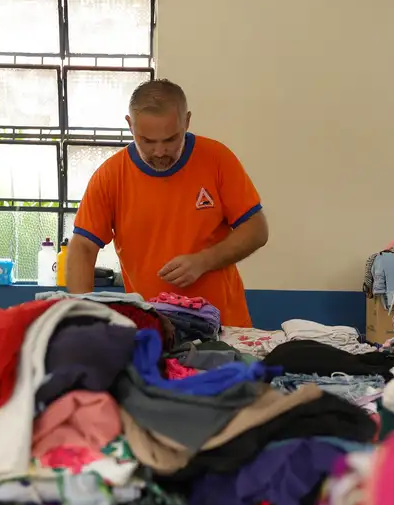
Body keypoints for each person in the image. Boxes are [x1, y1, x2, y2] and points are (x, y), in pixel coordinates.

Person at [67, 79, 269, 327]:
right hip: (154, 328)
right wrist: (80, 320)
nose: (160, 151)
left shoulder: (217, 159)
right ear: (130, 126)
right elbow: (83, 247)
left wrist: (204, 261)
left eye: (171, 139)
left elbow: (257, 229)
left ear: (187, 121)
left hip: (224, 326)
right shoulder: (110, 176)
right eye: (147, 141)